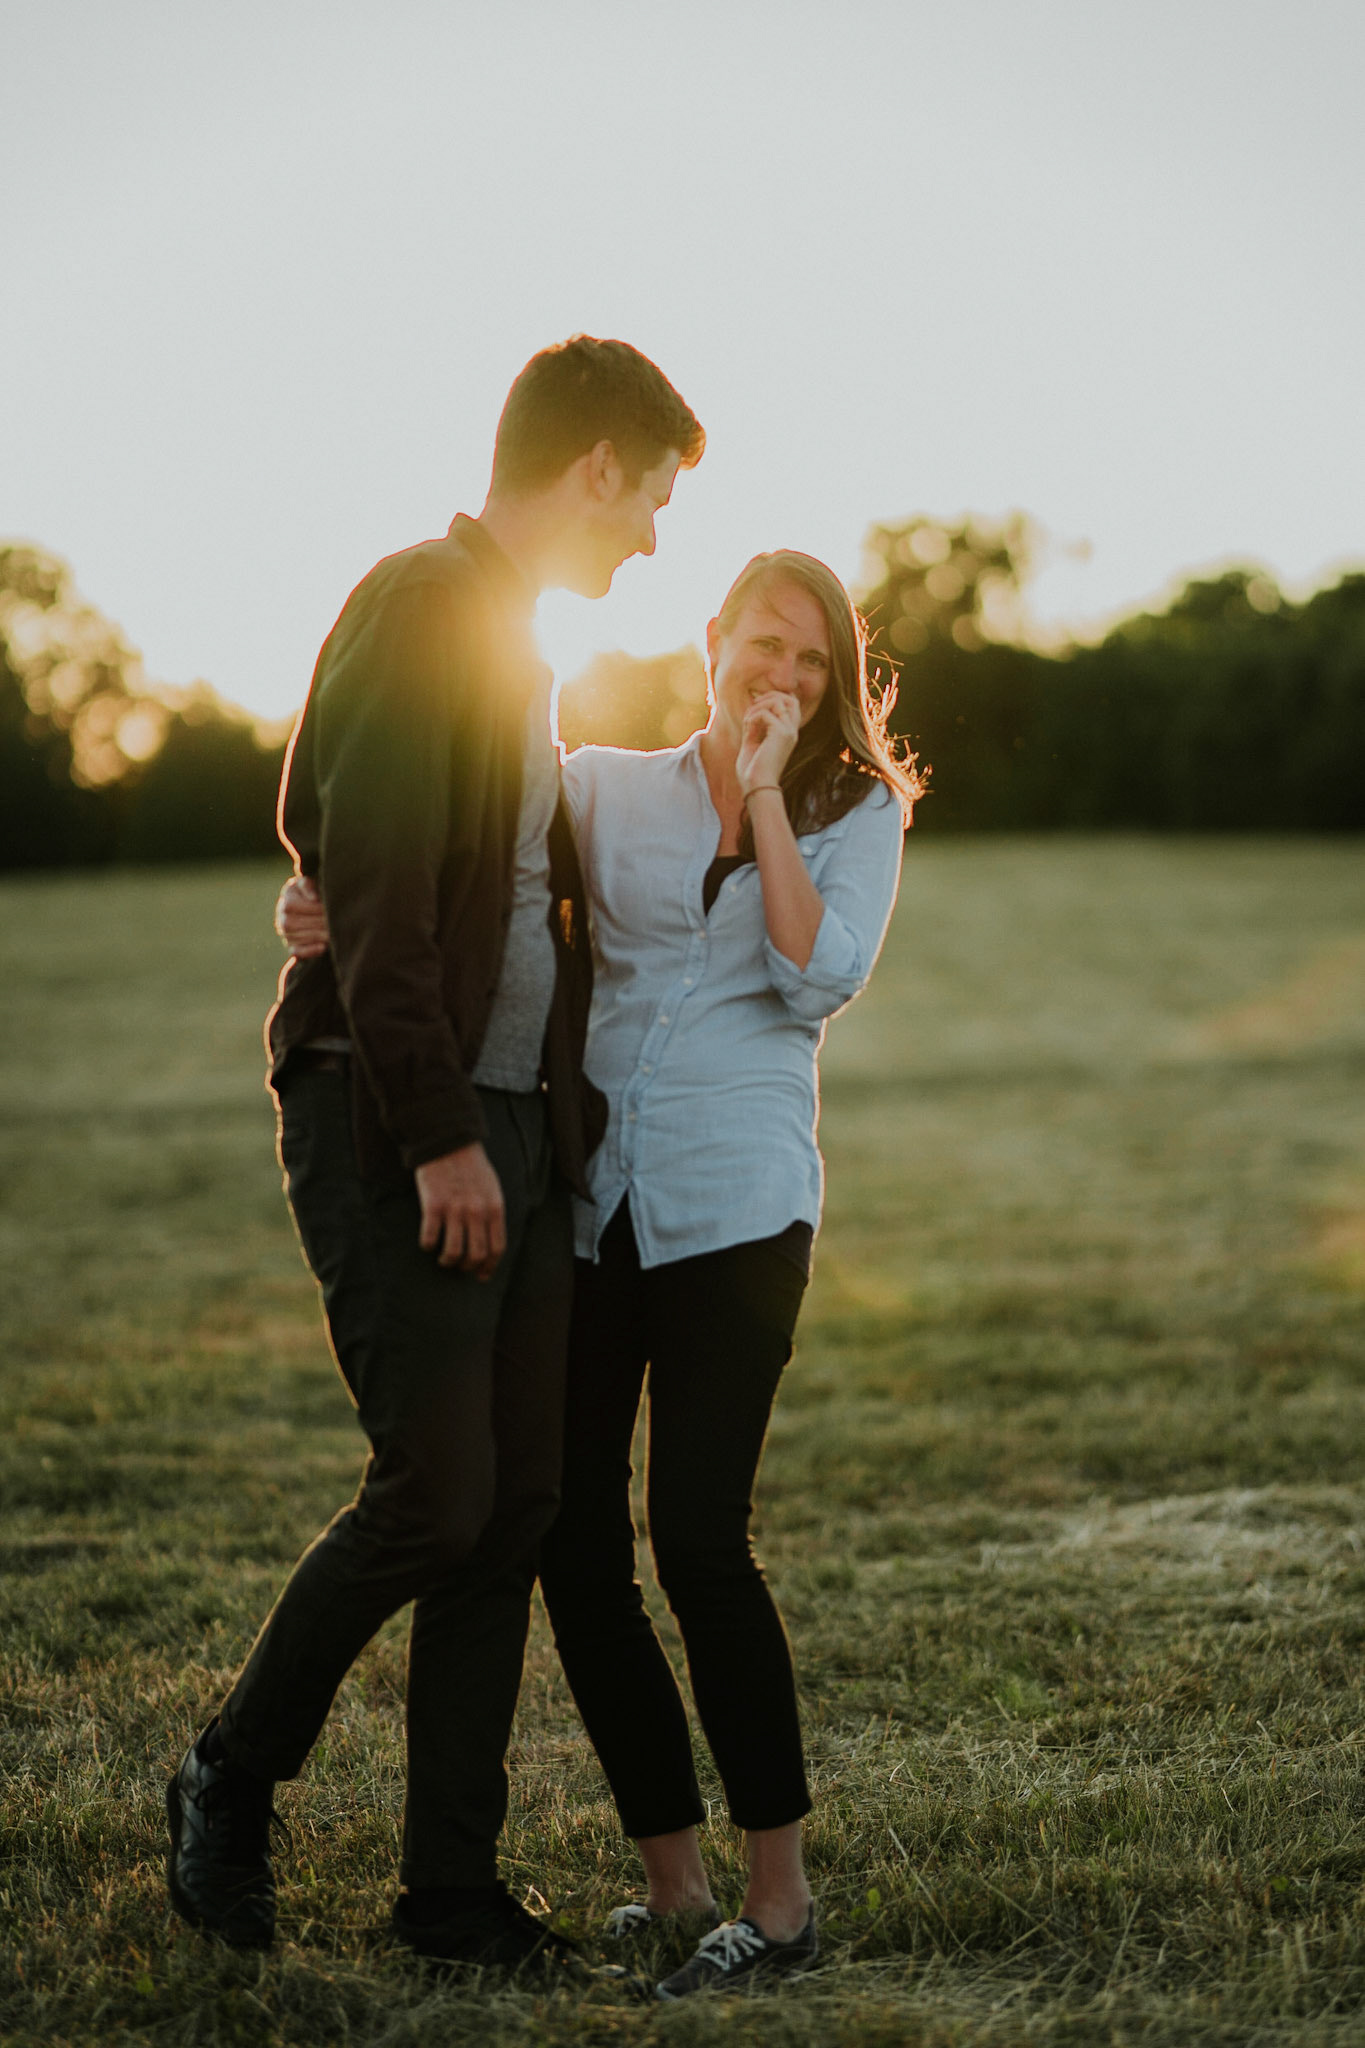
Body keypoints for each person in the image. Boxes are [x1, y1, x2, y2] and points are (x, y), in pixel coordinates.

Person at [280, 548, 920, 1998]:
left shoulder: (853, 811)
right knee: (574, 1547)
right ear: (710, 640)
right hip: (592, 1201)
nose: (786, 676)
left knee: (697, 1541)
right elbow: (457, 846)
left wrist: (760, 791)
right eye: (766, 643)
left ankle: (781, 1899)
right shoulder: (602, 788)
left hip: (738, 1211)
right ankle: (673, 1880)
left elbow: (814, 975)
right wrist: (326, 894)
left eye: (815, 663)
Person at [164, 335, 704, 1969]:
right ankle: (227, 1778)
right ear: (593, 462)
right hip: (409, 1123)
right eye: (655, 497)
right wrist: (440, 1138)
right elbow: (379, 894)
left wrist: (529, 1126)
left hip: (523, 1130)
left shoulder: (518, 651)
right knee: (437, 1489)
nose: (654, 538)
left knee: (523, 1503)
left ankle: (451, 1897)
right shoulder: (420, 602)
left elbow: (381, 857)